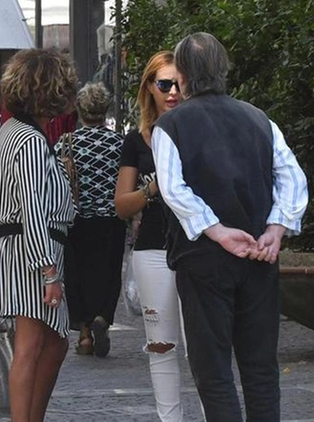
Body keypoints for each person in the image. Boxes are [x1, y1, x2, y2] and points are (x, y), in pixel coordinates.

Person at [153, 32, 308, 422]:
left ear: (183, 76)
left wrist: (217, 230)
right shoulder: (260, 119)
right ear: (223, 70)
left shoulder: (170, 126)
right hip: (259, 252)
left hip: (204, 259)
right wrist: (276, 229)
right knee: (260, 366)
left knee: (213, 368)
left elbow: (174, 189)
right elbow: (292, 177)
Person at [0, 48, 77, 422]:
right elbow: (31, 207)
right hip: (32, 251)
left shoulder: (12, 133)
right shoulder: (28, 141)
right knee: (31, 345)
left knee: (52, 343)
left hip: (20, 248)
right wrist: (48, 271)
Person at [113, 50, 186, 422]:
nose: (172, 91)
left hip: (198, 250)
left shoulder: (199, 130)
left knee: (206, 348)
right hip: (153, 249)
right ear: (150, 89)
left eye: (179, 83)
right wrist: (153, 189)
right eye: (164, 84)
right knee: (161, 347)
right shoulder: (137, 140)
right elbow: (122, 205)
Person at [56, 82, 125, 357]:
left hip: (77, 218)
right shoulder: (119, 142)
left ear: (80, 110)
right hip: (112, 218)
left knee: (78, 275)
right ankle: (103, 318)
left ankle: (84, 334)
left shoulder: (66, 142)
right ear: (104, 108)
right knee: (109, 273)